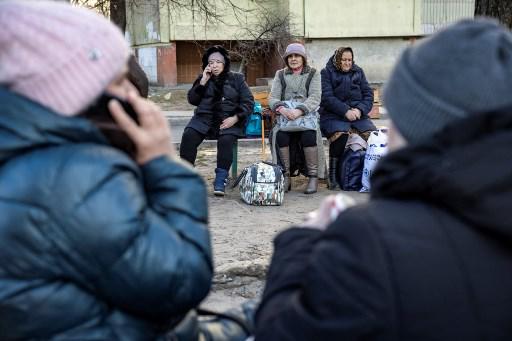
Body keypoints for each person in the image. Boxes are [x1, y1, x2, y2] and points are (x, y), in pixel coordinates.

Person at [254, 18, 512, 340]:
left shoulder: (370, 239)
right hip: (322, 117)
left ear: (415, 121)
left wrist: (299, 243)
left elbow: (280, 331)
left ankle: (318, 176)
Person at [0, 2, 213, 339]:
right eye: (117, 81)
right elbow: (179, 281)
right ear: (72, 92)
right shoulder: (74, 174)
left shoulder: (26, 156)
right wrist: (166, 166)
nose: (134, 94)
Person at [179, 45, 254, 196]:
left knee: (226, 140)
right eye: (211, 62)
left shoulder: (236, 78)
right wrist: (202, 82)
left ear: (224, 63)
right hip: (204, 119)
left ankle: (220, 179)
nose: (214, 65)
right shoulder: (203, 79)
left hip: (228, 119)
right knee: (189, 135)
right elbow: (192, 100)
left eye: (218, 62)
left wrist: (235, 118)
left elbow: (248, 102)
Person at [268, 42, 324, 194]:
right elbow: (272, 97)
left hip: (306, 117)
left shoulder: (313, 73)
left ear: (303, 58)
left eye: (297, 56)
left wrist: (299, 110)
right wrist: (282, 109)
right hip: (286, 117)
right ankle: (286, 176)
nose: (293, 59)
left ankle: (313, 177)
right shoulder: (280, 74)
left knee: (309, 135)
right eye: (290, 56)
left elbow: (315, 97)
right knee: (281, 135)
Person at [319, 46, 376, 190]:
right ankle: (333, 176)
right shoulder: (326, 73)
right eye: (344, 60)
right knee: (341, 135)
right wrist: (345, 111)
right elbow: (327, 97)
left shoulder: (358, 72)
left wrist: (359, 109)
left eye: (349, 60)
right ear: (338, 59)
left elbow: (368, 95)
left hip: (357, 115)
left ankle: (368, 174)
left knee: (373, 137)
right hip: (333, 115)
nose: (347, 63)